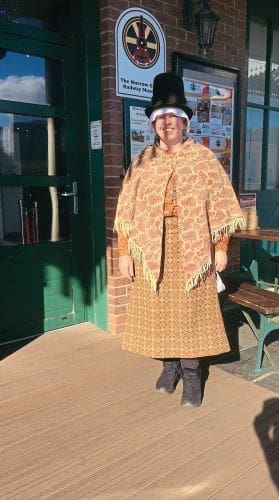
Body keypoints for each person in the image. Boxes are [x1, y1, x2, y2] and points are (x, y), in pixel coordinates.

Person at [114, 72, 243, 407]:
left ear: (185, 123)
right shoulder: (142, 161)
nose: (167, 122)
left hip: (193, 247)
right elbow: (126, 209)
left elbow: (222, 204)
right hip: (151, 248)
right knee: (158, 310)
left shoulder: (203, 159)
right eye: (160, 117)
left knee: (190, 313)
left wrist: (221, 247)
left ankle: (191, 374)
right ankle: (168, 367)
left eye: (173, 116)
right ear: (154, 123)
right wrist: (125, 253)